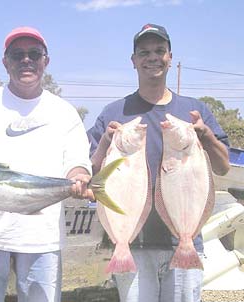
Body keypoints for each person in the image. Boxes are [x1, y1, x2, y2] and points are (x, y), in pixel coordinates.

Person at [0, 26, 94, 302]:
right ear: (5, 61)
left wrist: (80, 176)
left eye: (34, 54)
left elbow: (76, 162)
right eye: (17, 54)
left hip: (42, 237)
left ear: (46, 60)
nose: (26, 60)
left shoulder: (65, 112)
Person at [87, 23, 230, 302]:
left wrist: (205, 134)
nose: (152, 57)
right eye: (144, 52)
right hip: (132, 244)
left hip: (184, 243)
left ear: (170, 57)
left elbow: (224, 166)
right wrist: (106, 141)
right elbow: (94, 173)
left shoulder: (195, 111)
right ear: (134, 61)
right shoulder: (113, 112)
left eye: (159, 51)